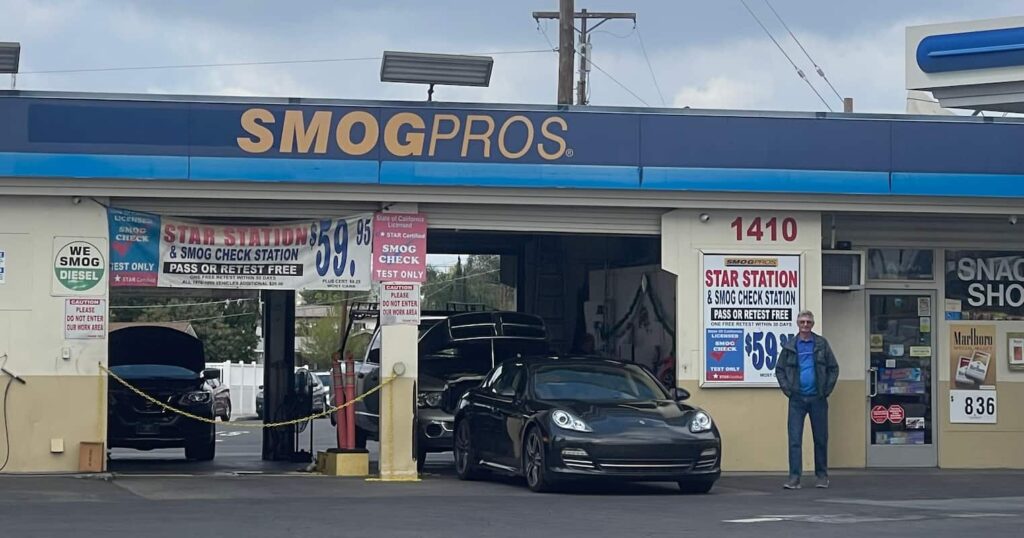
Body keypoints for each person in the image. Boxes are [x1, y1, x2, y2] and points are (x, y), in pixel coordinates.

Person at [775, 310, 839, 490]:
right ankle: (794, 478)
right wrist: (788, 390)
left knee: (820, 438)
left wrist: (826, 390)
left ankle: (822, 476)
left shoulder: (821, 344)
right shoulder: (790, 346)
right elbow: (779, 369)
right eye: (802, 322)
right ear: (797, 323)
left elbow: (834, 368)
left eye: (808, 322)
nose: (805, 325)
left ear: (813, 324)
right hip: (796, 400)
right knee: (794, 439)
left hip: (818, 399)